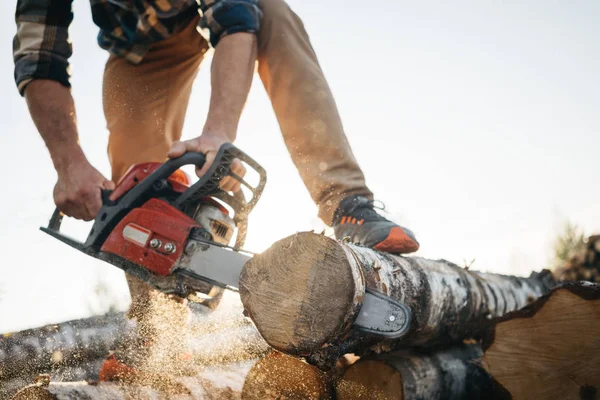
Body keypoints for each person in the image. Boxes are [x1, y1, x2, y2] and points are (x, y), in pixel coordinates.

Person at [14, 0, 420, 375]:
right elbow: (39, 56)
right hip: (138, 45)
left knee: (273, 15)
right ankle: (157, 327)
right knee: (136, 169)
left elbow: (236, 16)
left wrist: (217, 135)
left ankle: (347, 201)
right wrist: (69, 165)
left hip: (225, 13)